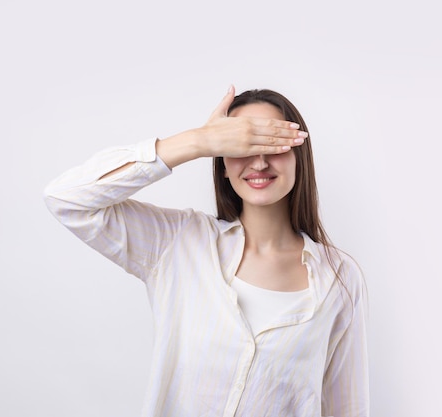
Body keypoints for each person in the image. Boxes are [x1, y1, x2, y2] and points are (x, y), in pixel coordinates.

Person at [43, 86, 369, 417]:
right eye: (242, 145)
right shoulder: (178, 243)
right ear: (223, 164)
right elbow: (66, 199)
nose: (259, 160)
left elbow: (347, 408)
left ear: (300, 157)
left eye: (274, 143)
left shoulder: (339, 277)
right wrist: (198, 141)